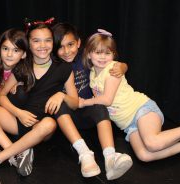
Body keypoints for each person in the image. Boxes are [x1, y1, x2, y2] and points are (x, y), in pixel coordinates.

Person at [0, 18, 102, 178]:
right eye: (36, 41)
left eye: (47, 40)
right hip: (18, 120)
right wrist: (18, 113)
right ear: (29, 44)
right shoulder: (22, 67)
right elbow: (0, 95)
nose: (42, 45)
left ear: (53, 43)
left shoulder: (64, 68)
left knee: (49, 123)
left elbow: (74, 103)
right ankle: (16, 152)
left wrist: (62, 95)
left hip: (40, 128)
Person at [80, 29, 180, 162]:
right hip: (129, 125)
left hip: (141, 109)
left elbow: (107, 100)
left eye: (107, 53)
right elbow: (99, 101)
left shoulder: (112, 69)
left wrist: (84, 102)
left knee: (152, 143)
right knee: (144, 155)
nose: (103, 57)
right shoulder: (93, 74)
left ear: (113, 55)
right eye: (98, 52)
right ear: (88, 54)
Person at [0, 28, 57, 177]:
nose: (9, 54)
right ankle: (15, 152)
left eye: (15, 50)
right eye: (5, 49)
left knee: (20, 94)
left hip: (13, 113)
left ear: (23, 54)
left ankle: (8, 150)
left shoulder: (23, 69)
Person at [52, 22, 132, 180]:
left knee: (100, 105)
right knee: (60, 105)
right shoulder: (53, 66)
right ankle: (84, 154)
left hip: (89, 111)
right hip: (67, 118)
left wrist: (123, 67)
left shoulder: (86, 58)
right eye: (60, 47)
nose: (67, 51)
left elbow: (111, 61)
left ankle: (110, 158)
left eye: (70, 44)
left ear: (79, 43)